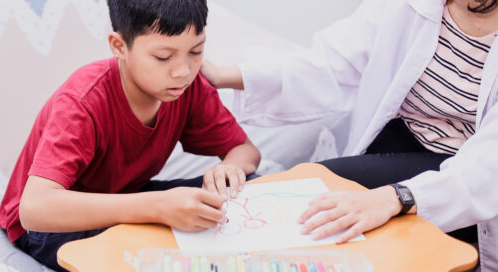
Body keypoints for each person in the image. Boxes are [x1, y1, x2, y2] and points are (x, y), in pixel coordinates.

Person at [202, 0, 498, 270]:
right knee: (314, 195)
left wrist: (396, 198)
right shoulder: (411, 6)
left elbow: (486, 168)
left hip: (466, 175)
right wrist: (222, 76)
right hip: (404, 139)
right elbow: (331, 62)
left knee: (322, 199)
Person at [0, 0, 261, 270]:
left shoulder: (186, 88)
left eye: (196, 51)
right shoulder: (82, 101)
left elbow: (246, 151)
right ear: (119, 46)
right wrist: (158, 207)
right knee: (150, 257)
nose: (183, 71)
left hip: (129, 196)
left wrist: (229, 168)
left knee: (248, 186)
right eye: (163, 57)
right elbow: (35, 209)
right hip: (51, 225)